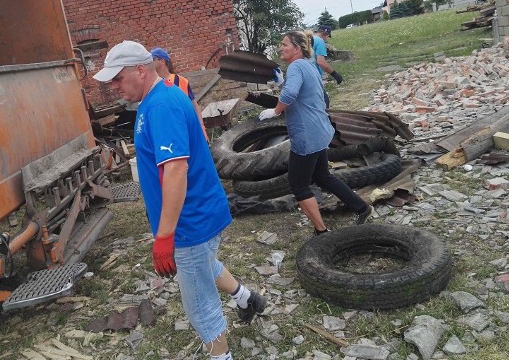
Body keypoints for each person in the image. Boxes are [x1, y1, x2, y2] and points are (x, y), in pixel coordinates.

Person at [94, 40, 266, 360]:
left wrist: (164, 235)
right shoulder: (156, 100)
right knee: (205, 264)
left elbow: (175, 171)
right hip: (197, 216)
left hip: (190, 221)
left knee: (200, 304)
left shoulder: (163, 106)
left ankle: (221, 356)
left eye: (117, 78)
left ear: (140, 70)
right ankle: (246, 298)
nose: (113, 87)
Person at [258, 31, 374, 235]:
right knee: (323, 176)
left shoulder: (296, 66)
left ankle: (321, 231)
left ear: (297, 48)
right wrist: (281, 82)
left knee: (299, 186)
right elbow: (307, 93)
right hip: (320, 131)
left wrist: (275, 111)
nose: (280, 47)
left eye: (284, 44)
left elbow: (292, 93)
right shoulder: (309, 65)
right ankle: (363, 208)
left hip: (307, 135)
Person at [150, 47, 208, 141]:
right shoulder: (153, 85)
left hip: (186, 127)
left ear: (162, 61)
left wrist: (201, 126)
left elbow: (193, 104)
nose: (150, 63)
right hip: (167, 132)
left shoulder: (181, 81)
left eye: (152, 59)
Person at [311, 25, 343, 108]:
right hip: (312, 76)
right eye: (328, 37)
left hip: (304, 73)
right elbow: (321, 62)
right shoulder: (320, 41)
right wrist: (335, 74)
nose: (326, 39)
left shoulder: (309, 39)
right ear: (326, 35)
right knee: (324, 102)